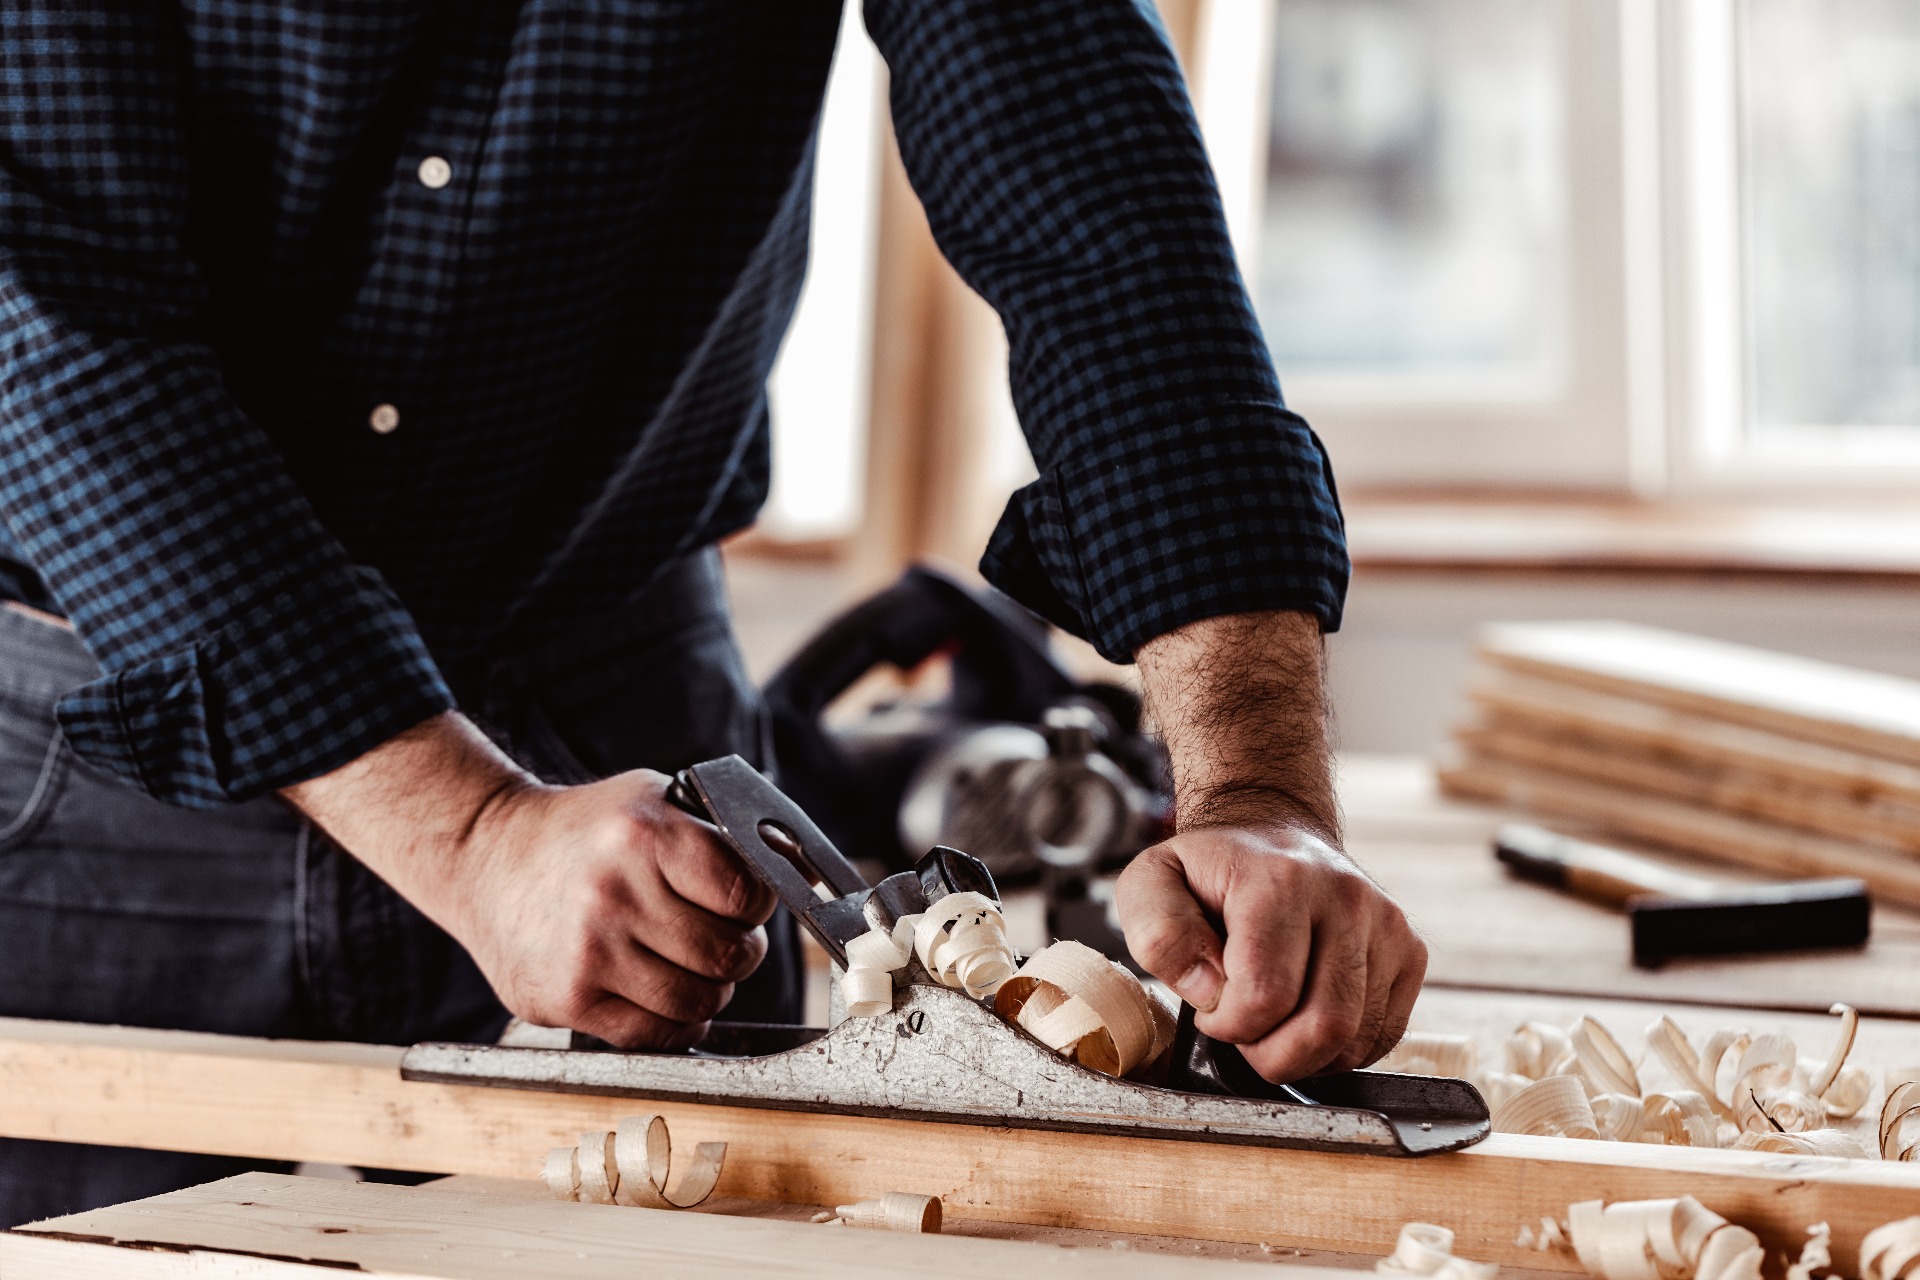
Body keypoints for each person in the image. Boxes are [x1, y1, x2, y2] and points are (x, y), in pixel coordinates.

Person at [0, 0, 1426, 1225]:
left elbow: (1093, 204)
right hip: (100, 729)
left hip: (608, 693)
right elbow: (49, 342)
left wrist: (1254, 789)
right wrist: (470, 832)